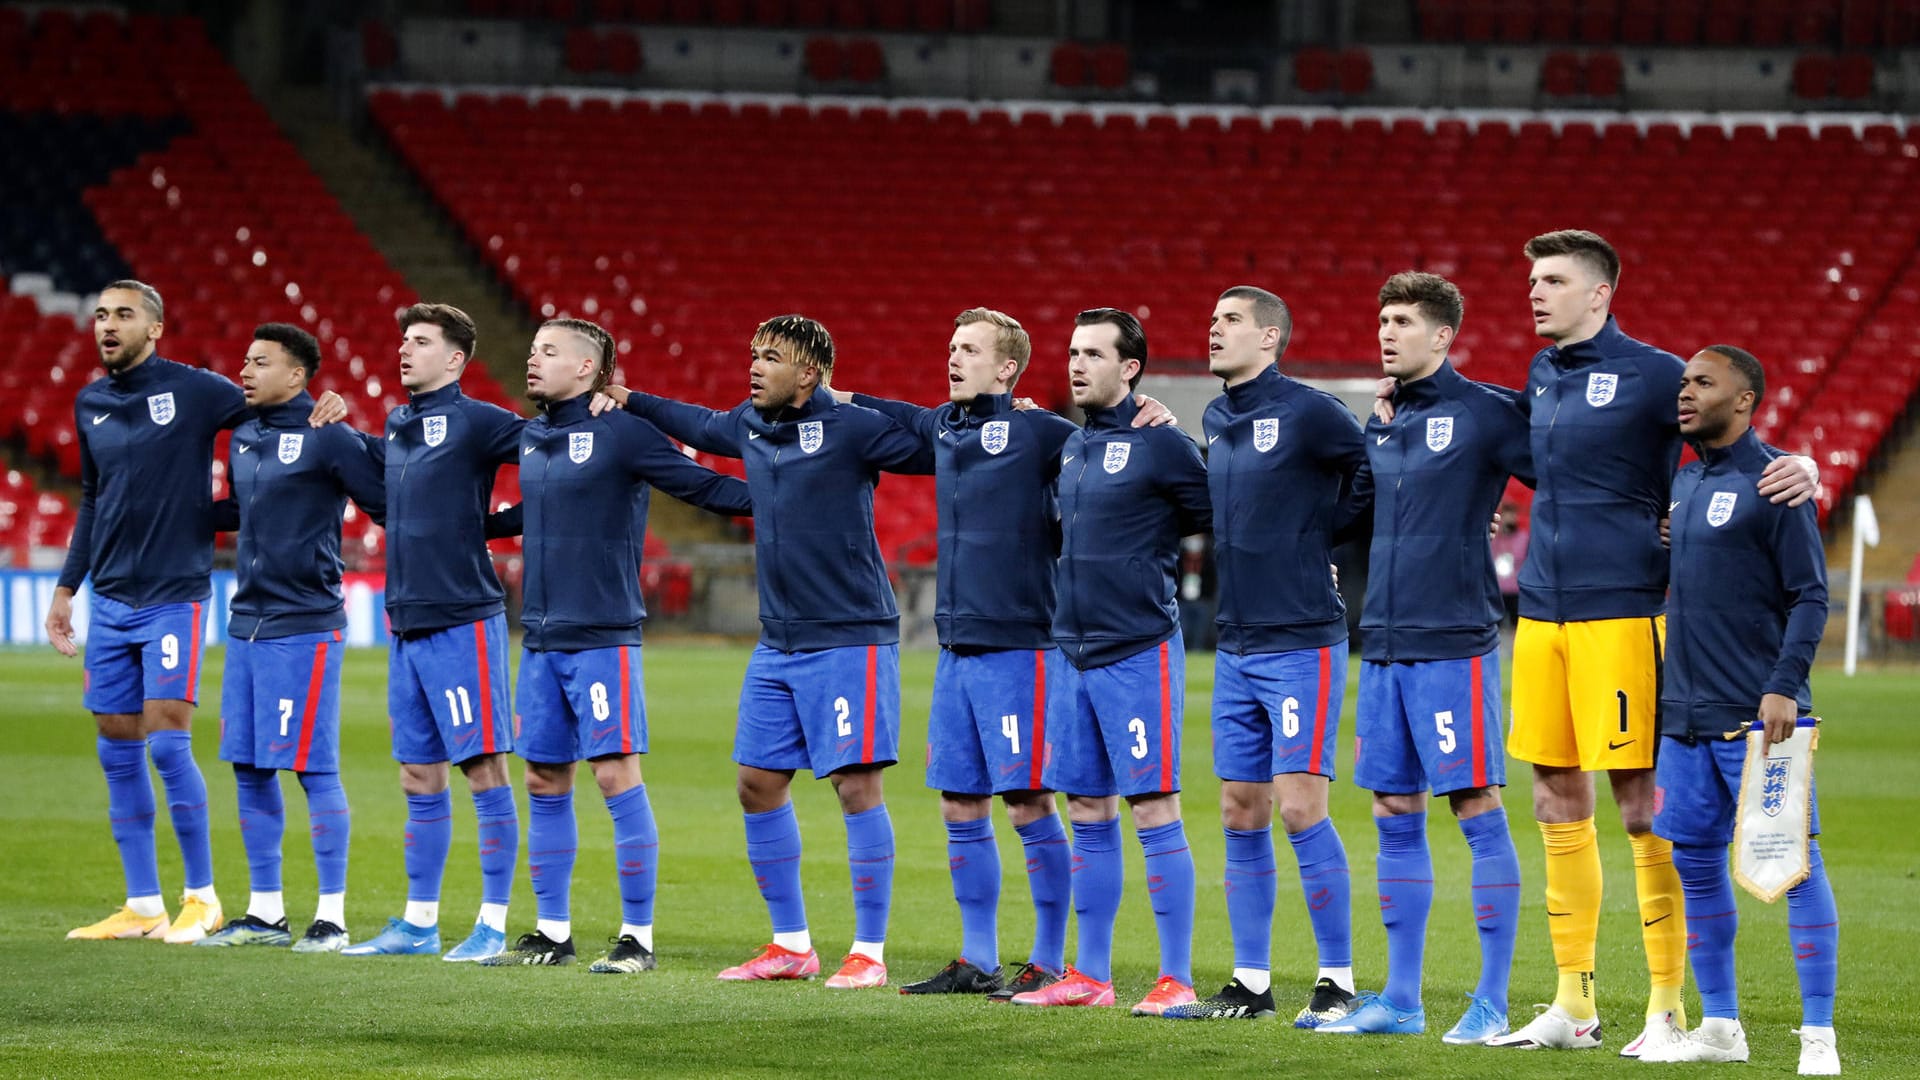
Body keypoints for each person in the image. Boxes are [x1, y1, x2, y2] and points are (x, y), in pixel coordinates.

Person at [1486, 230, 1818, 1054]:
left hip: (1625, 612)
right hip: (1541, 616)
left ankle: (1666, 1009)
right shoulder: (1541, 374)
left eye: (1553, 280)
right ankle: (1574, 1004)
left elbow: (1734, 432)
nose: (1535, 291)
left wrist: (1802, 464)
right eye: (1533, 278)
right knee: (1555, 797)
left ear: (1599, 295)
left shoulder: (1654, 373)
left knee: (1645, 811)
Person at [600, 314, 931, 988]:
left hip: (849, 634)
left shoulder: (853, 428)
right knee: (756, 783)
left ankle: (868, 951)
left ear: (809, 373)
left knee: (855, 784)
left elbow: (934, 444)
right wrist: (631, 398)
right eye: (753, 353)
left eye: (771, 357)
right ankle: (791, 945)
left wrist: (997, 419)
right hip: (777, 640)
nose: (755, 366)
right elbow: (695, 424)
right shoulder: (749, 424)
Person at [51, 281, 339, 943]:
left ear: (154, 328)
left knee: (168, 742)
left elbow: (275, 419)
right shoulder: (89, 401)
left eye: (123, 314)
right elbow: (93, 500)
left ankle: (202, 898)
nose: (107, 325)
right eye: (100, 315)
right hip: (111, 600)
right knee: (117, 752)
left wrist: (325, 409)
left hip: (174, 596)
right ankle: (142, 904)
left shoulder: (197, 390)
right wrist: (69, 588)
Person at [477, 318, 749, 971]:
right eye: (533, 347)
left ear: (588, 368)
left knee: (613, 774)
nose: (532, 360)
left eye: (548, 351)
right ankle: (551, 932)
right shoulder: (536, 436)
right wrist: (477, 526)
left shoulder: (622, 430)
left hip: (602, 636)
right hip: (539, 637)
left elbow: (703, 487)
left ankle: (638, 938)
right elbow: (534, 515)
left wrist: (792, 499)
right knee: (543, 778)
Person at [825, 308, 1079, 1000]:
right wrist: (839, 395)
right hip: (957, 647)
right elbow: (903, 414)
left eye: (969, 348)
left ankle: (1050, 959)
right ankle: (976, 957)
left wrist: (1149, 419)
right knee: (960, 803)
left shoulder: (1040, 431)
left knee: (1026, 801)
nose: (953, 356)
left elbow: (1117, 459)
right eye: (950, 346)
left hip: (1021, 646)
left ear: (1007, 368)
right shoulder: (946, 427)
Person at [1315, 272, 1529, 1043]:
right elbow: (1354, 514)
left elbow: (1577, 477)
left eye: (1403, 321)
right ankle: (1401, 1001)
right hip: (1384, 645)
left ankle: (1493, 1001)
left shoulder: (1489, 413)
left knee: (1475, 806)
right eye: (1383, 320)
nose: (1386, 332)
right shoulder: (1384, 421)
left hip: (1454, 644)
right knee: (1392, 810)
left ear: (1443, 336)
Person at [1162, 286, 1366, 1026]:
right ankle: (1250, 984)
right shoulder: (1217, 416)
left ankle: (1337, 980)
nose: (1213, 330)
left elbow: (1372, 468)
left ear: (1270, 336)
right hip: (1238, 640)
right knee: (1238, 807)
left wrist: (1323, 535)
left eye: (1229, 322)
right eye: (1211, 319)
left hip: (1301, 639)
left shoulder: (1311, 411)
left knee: (1301, 805)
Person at [1639, 346, 1837, 1074]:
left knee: (1795, 868)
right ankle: (1721, 1025)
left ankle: (1819, 1038)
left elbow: (1811, 595)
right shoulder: (1686, 481)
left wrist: (1784, 686)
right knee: (1694, 866)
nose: (1685, 393)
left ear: (1746, 398)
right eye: (1684, 382)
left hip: (1762, 718)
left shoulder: (1778, 481)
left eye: (1703, 383)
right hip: (1684, 720)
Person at [1009, 308, 1211, 1016]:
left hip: (1139, 651)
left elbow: (1228, 512)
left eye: (1093, 354)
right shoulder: (1070, 448)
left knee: (1154, 806)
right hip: (1073, 654)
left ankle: (1176, 977)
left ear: (1130, 368)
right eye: (1072, 351)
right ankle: (1090, 976)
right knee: (1087, 807)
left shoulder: (1162, 443)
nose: (1076, 364)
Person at [343, 303, 524, 961]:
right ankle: (419, 925)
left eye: (420, 341)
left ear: (454, 359)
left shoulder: (480, 421)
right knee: (419, 776)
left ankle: (492, 924)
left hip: (462, 621)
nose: (404, 350)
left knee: (482, 768)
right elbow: (395, 494)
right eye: (403, 340)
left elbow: (556, 459)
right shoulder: (399, 424)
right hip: (407, 623)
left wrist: (498, 526)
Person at [196, 323, 385, 952]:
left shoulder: (328, 435)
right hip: (245, 625)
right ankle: (266, 913)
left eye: (260, 362)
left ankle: (330, 917)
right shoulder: (243, 437)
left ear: (298, 375)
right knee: (248, 768)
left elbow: (384, 498)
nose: (244, 371)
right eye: (244, 360)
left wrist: (356, 431)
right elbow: (238, 514)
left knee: (312, 768)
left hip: (303, 625)